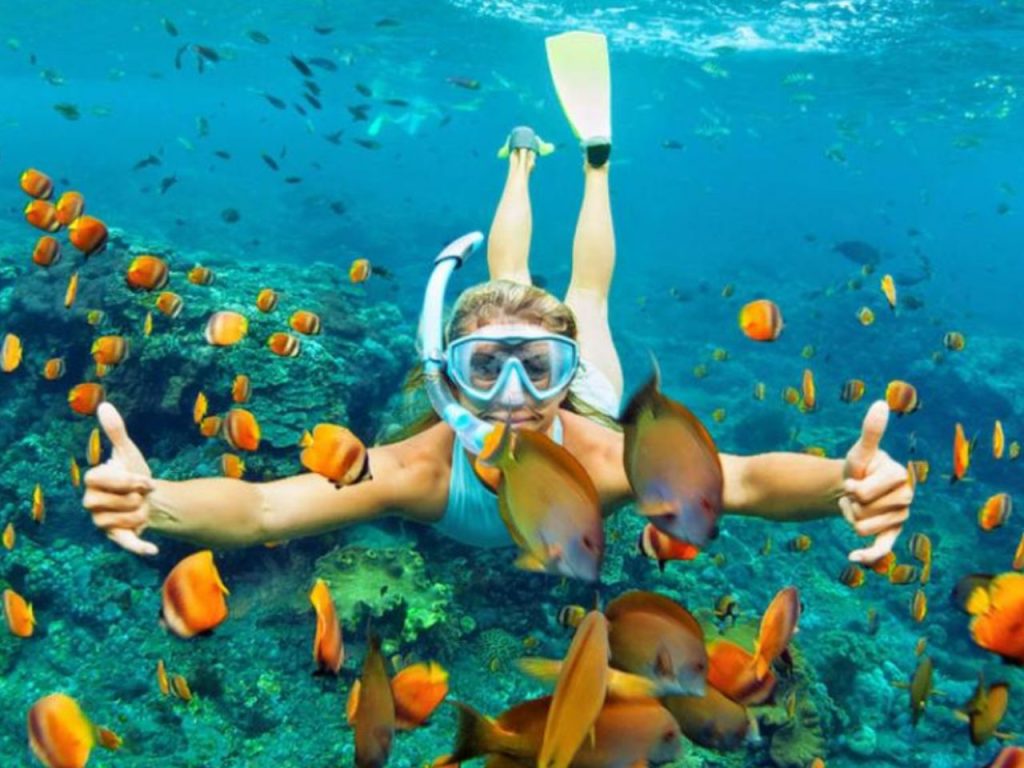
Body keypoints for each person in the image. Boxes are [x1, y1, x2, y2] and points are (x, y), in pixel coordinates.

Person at [83, 32, 912, 565]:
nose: (514, 395)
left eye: (536, 366)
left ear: (564, 371)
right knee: (510, 280)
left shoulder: (604, 451)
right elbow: (266, 509)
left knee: (585, 292)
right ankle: (518, 166)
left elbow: (746, 483)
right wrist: (155, 501)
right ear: (450, 378)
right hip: (528, 384)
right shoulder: (419, 468)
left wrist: (846, 481)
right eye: (487, 367)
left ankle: (595, 164)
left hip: (591, 402)